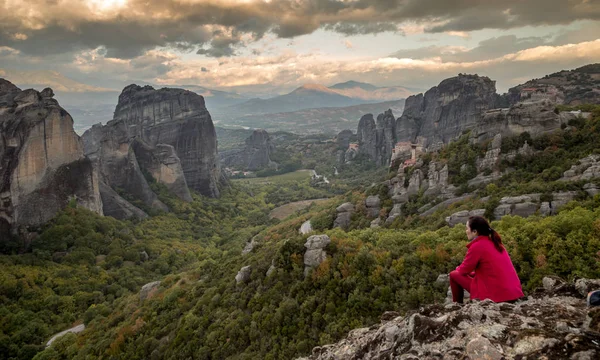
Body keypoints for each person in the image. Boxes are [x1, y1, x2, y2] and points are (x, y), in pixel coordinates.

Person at [449, 216, 524, 303]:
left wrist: (458, 268)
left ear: (474, 232)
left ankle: (457, 306)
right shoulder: (496, 243)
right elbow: (491, 271)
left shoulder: (477, 246)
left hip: (496, 295)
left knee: (453, 275)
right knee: (469, 275)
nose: (466, 231)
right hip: (512, 293)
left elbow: (463, 270)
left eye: (467, 228)